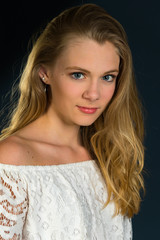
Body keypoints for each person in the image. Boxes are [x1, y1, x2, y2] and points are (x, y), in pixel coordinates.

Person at [0, 3, 145, 239]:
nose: (93, 93)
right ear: (44, 73)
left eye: (107, 77)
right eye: (78, 75)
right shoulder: (10, 161)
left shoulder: (104, 154)